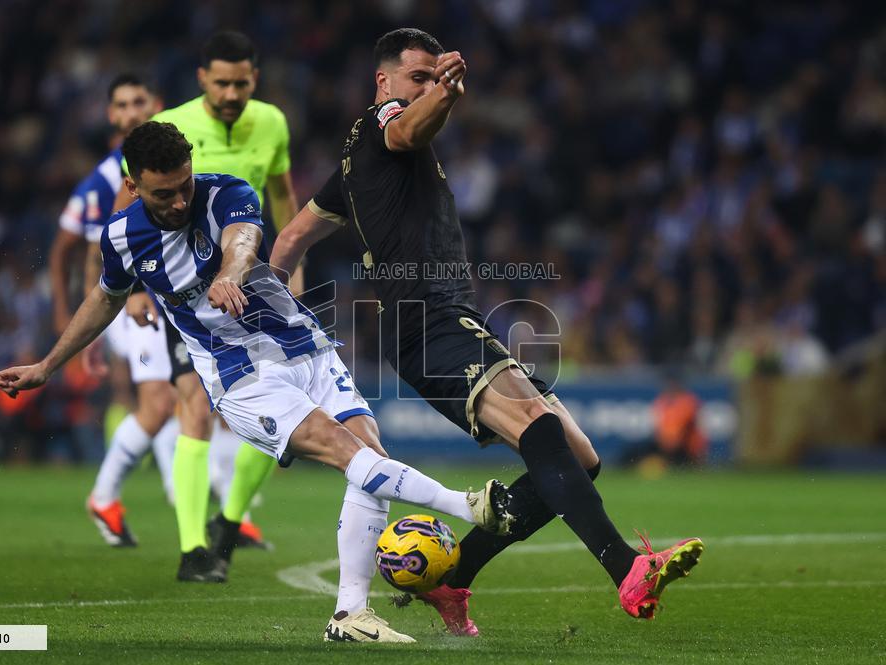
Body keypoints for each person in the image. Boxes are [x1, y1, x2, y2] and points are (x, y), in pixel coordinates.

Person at [0, 121, 513, 643]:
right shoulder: (122, 237)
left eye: (183, 185)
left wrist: (230, 272)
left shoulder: (226, 192)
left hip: (302, 346)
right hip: (239, 376)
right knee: (349, 453)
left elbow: (242, 241)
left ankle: (350, 614)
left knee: (369, 454)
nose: (178, 201)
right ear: (132, 186)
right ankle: (466, 504)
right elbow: (106, 298)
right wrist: (47, 365)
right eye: (162, 193)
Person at [270, 28, 704, 634]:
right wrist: (445, 93)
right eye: (414, 78)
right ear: (384, 82)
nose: (422, 88)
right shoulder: (383, 127)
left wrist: (272, 306)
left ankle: (455, 575)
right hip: (428, 320)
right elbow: (409, 128)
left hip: (447, 317)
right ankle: (628, 569)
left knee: (579, 456)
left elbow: (291, 238)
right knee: (538, 428)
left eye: (431, 77)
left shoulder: (352, 164)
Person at [106, 30, 301, 567]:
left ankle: (230, 519)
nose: (233, 93)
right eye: (222, 83)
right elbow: (140, 204)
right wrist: (136, 287)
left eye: (242, 83)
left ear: (254, 79)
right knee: (192, 403)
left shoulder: (273, 122)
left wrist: (294, 263)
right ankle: (193, 548)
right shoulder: (177, 128)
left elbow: (282, 196)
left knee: (286, 405)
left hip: (256, 286)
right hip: (186, 293)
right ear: (202, 80)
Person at [48, 74, 183, 549]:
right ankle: (107, 496)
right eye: (122, 105)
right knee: (162, 403)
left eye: (138, 102)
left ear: (157, 104)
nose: (130, 112)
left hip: (153, 297)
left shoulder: (161, 161)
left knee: (180, 402)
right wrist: (81, 319)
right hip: (130, 303)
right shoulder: (106, 179)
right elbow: (87, 249)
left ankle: (179, 493)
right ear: (111, 114)